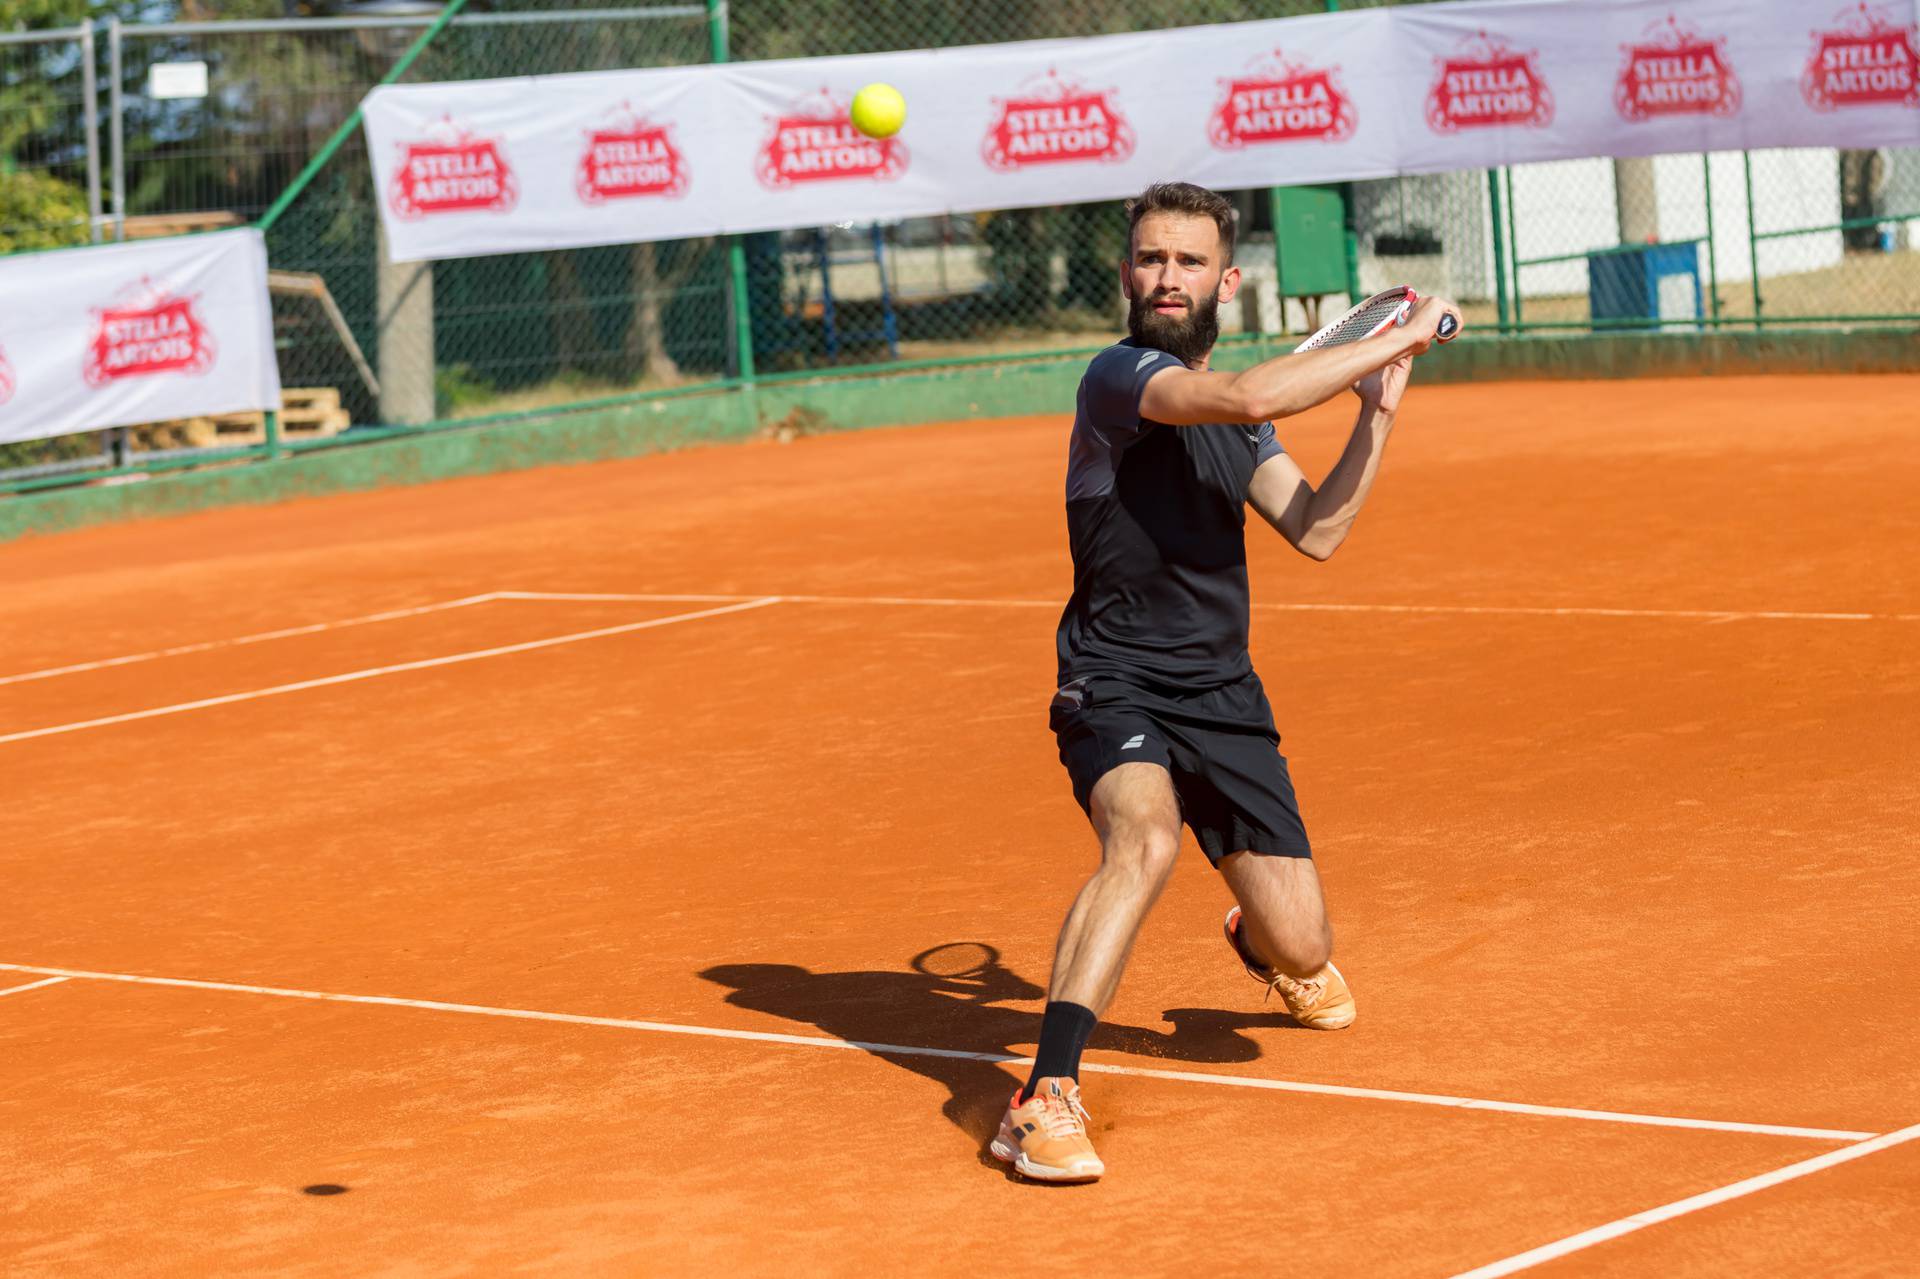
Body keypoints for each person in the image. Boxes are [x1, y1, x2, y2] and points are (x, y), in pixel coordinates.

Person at [990, 182, 1460, 1183]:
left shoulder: (1241, 422)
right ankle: (1043, 1096)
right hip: (1114, 683)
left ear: (1225, 280)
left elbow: (1318, 530)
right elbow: (1250, 393)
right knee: (1144, 839)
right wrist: (1400, 335)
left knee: (1308, 950)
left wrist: (1378, 411)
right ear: (1127, 274)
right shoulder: (1121, 379)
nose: (1168, 278)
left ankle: (1260, 938)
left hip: (1224, 699)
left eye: (1189, 262)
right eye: (1152, 259)